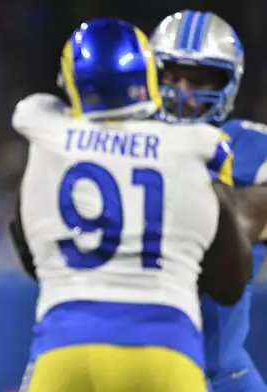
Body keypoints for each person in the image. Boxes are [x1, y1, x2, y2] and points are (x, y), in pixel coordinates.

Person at [10, 18, 252, 391]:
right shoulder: (202, 146)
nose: (185, 93)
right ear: (150, 78)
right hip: (168, 345)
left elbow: (29, 247)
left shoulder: (44, 128)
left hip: (65, 341)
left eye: (201, 80)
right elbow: (228, 283)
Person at [151, 11, 267, 391]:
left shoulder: (252, 151)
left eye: (200, 79)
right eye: (172, 76)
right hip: (132, 368)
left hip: (220, 376)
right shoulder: (122, 145)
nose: (184, 92)